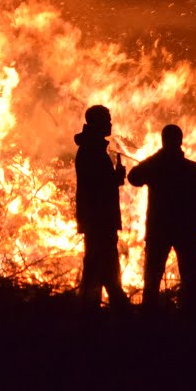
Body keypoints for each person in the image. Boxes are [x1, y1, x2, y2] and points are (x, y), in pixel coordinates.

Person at [126, 123, 196, 308]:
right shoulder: (193, 170)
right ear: (180, 141)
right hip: (186, 231)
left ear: (163, 141)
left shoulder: (156, 166)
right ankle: (190, 319)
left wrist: (158, 156)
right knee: (190, 279)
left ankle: (150, 321)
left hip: (160, 230)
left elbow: (134, 176)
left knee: (152, 279)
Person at [74, 105, 128, 307]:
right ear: (97, 123)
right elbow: (98, 186)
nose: (111, 123)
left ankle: (90, 307)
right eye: (107, 119)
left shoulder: (92, 148)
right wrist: (117, 177)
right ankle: (117, 307)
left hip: (96, 219)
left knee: (95, 265)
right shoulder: (91, 151)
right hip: (99, 219)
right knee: (103, 264)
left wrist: (115, 177)